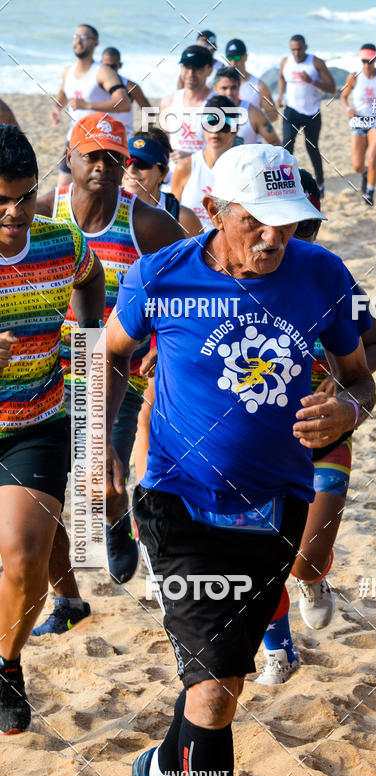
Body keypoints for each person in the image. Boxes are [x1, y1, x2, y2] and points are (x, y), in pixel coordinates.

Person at [105, 143, 376, 776]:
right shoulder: (162, 276)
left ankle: (158, 770)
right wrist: (99, 448)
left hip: (276, 507)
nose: (273, 238)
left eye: (287, 224)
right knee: (218, 690)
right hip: (178, 501)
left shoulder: (320, 276)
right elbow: (114, 356)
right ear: (213, 212)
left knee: (212, 681)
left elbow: (362, 377)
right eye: (256, 221)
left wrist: (347, 409)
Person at [31, 113, 185, 636]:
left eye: (113, 158)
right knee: (48, 492)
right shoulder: (44, 213)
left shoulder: (147, 222)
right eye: (90, 155)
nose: (101, 166)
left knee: (101, 481)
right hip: (48, 372)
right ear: (69, 159)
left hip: (122, 367)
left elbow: (190, 288)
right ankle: (66, 596)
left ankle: (117, 523)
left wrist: (165, 344)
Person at [257, 168, 376, 685]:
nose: (296, 236)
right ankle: (279, 650)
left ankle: (315, 576)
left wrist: (339, 379)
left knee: (303, 558)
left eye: (306, 225)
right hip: (261, 441)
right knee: (264, 554)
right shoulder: (237, 276)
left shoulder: (332, 277)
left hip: (326, 433)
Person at [0, 125, 105, 733]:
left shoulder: (60, 243)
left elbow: (90, 278)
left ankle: (7, 663)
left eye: (22, 195)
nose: (14, 213)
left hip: (34, 423)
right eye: (0, 201)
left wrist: (86, 342)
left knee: (25, 555)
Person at [50, 24, 131, 186]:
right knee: (63, 188)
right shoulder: (68, 71)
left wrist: (88, 105)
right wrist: (56, 109)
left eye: (84, 37)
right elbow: (64, 92)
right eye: (76, 36)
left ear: (96, 43)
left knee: (96, 192)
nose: (79, 41)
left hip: (99, 141)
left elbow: (124, 103)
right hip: (74, 139)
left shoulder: (102, 72)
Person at [340, 44, 376, 206]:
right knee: (357, 165)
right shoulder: (354, 77)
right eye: (364, 61)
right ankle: (365, 174)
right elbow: (343, 96)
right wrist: (347, 108)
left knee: (372, 158)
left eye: (371, 61)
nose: (367, 65)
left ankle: (370, 193)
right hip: (358, 120)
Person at [278, 34, 336, 197]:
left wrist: (312, 81)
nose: (296, 53)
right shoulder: (285, 61)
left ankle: (320, 183)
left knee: (312, 148)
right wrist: (280, 95)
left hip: (312, 112)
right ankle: (285, 182)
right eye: (293, 50)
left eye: (299, 49)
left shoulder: (316, 62)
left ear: (306, 47)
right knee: (286, 146)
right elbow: (281, 78)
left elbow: (332, 88)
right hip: (291, 110)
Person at [171, 95, 237, 229]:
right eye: (211, 122)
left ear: (235, 130)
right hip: (192, 246)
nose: (215, 131)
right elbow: (172, 218)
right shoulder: (185, 167)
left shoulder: (242, 169)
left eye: (224, 125)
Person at [122, 129, 202, 236]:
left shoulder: (182, 218)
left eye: (142, 164)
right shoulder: (104, 206)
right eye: (127, 161)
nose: (131, 170)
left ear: (163, 174)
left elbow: (200, 253)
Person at [162, 46, 213, 167]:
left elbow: (226, 149)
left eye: (197, 68)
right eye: (186, 67)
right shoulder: (168, 101)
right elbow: (165, 142)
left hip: (205, 177)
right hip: (173, 177)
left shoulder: (218, 103)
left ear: (209, 70)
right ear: (181, 68)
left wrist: (192, 157)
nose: (191, 73)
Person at [210, 67, 280, 145]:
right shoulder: (208, 111)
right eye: (224, 88)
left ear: (239, 87)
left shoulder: (252, 113)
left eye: (233, 88)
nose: (229, 93)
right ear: (215, 89)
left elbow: (275, 142)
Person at [101, 47, 152, 137]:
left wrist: (143, 134)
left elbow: (149, 111)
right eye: (106, 66)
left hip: (122, 137)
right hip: (99, 135)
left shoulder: (130, 87)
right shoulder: (94, 85)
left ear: (120, 65)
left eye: (113, 66)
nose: (109, 70)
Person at [224, 38, 277, 122]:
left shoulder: (259, 86)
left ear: (245, 57)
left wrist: (255, 124)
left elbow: (273, 113)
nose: (233, 62)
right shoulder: (220, 85)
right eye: (230, 58)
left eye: (237, 58)